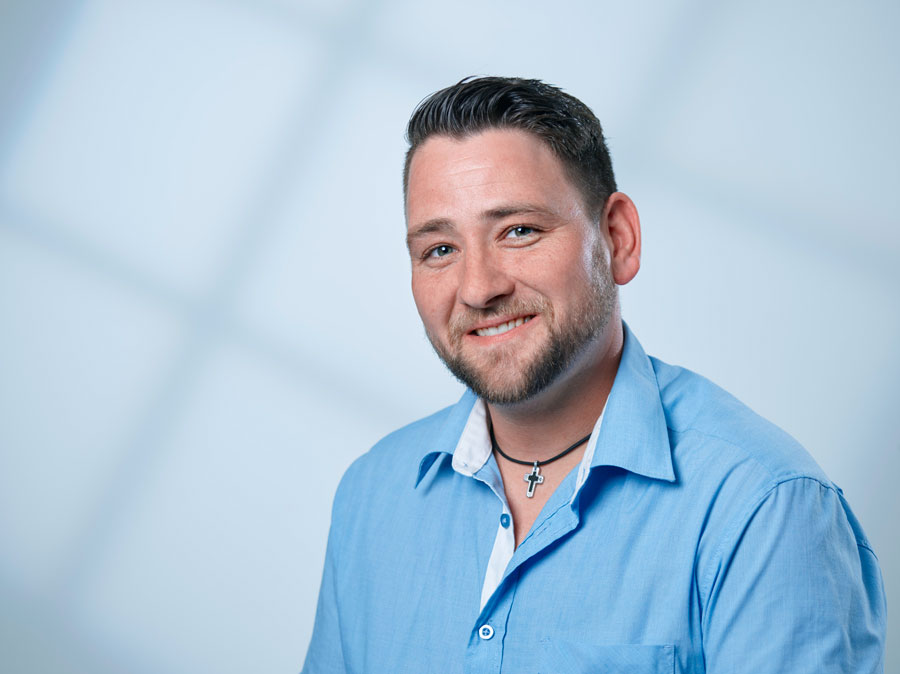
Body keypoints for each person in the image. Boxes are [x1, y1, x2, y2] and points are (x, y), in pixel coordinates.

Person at [302, 76, 886, 673]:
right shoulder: (371, 497)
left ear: (617, 239)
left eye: (519, 231)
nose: (478, 288)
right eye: (440, 250)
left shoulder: (762, 507)